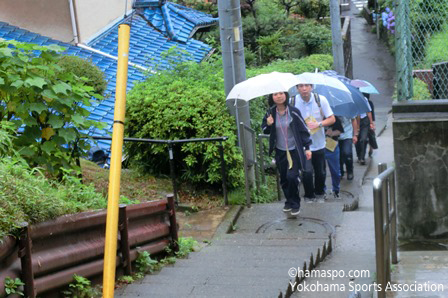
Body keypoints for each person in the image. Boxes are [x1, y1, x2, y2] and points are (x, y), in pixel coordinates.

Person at [262, 92, 312, 216]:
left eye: (281, 94)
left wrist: (307, 147)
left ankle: (295, 203)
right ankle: (288, 201)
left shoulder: (294, 112)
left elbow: (304, 130)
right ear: (272, 97)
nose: (278, 96)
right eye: (275, 94)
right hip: (280, 151)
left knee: (292, 177)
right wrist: (268, 124)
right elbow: (265, 130)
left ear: (286, 95)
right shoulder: (270, 113)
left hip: (294, 150)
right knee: (284, 178)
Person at [292, 84, 335, 201]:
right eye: (300, 86)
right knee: (307, 172)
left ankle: (320, 193)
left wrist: (319, 124)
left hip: (319, 143)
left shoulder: (320, 100)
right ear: (297, 88)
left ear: (311, 87)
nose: (304, 89)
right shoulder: (292, 101)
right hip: (303, 146)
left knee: (320, 172)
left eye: (306, 86)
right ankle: (309, 195)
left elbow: (332, 118)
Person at [324, 116, 344, 198]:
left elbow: (340, 131)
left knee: (335, 170)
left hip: (332, 146)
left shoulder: (334, 118)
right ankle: (322, 190)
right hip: (319, 146)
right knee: (320, 171)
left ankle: (336, 189)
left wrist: (332, 133)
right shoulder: (316, 117)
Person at [355, 93, 375, 165]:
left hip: (364, 121)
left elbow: (368, 111)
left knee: (363, 139)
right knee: (356, 139)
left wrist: (371, 123)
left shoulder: (365, 100)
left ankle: (362, 157)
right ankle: (359, 156)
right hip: (354, 121)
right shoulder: (352, 100)